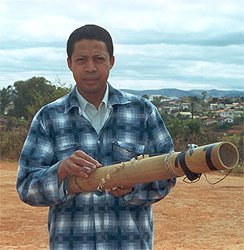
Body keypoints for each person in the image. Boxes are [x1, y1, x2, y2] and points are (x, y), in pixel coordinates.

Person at [16, 24, 176, 250]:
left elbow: (167, 175)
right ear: (69, 63)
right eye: (81, 60)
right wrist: (61, 171)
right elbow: (26, 186)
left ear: (111, 61)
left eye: (98, 59)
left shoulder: (143, 112)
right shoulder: (48, 117)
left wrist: (133, 189)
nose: (90, 67)